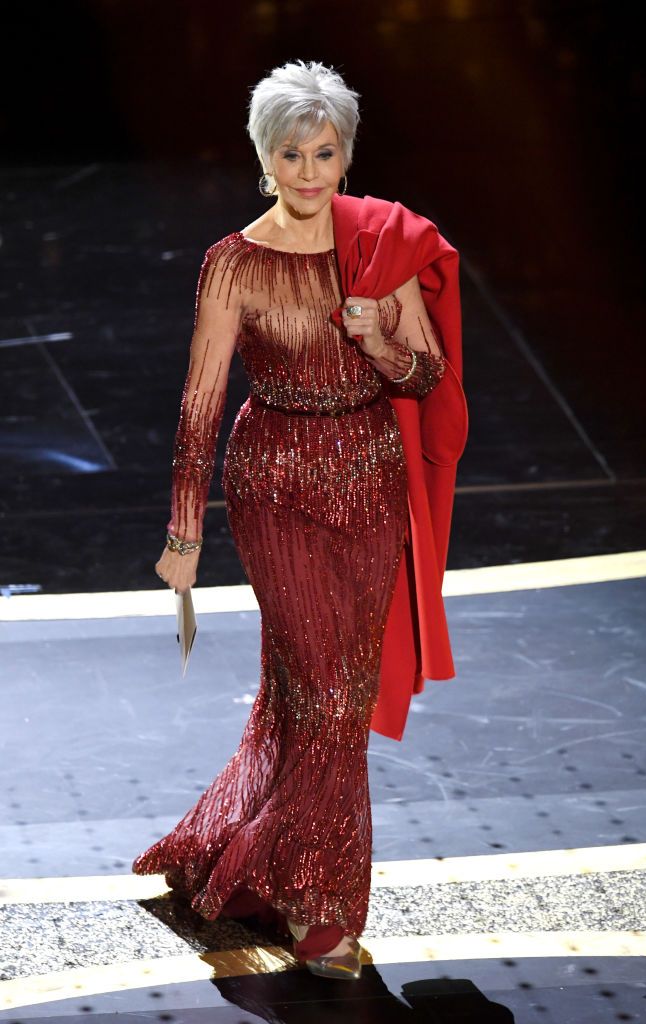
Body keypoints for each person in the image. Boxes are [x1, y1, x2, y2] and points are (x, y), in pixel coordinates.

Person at [131, 59, 463, 981]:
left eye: (326, 152)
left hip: (367, 477)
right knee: (320, 686)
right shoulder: (232, 262)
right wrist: (183, 535)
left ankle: (249, 853)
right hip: (273, 479)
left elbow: (427, 375)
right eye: (292, 153)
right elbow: (199, 404)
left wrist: (379, 340)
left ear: (345, 153)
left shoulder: (378, 248)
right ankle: (321, 904)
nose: (311, 171)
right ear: (263, 157)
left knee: (330, 693)